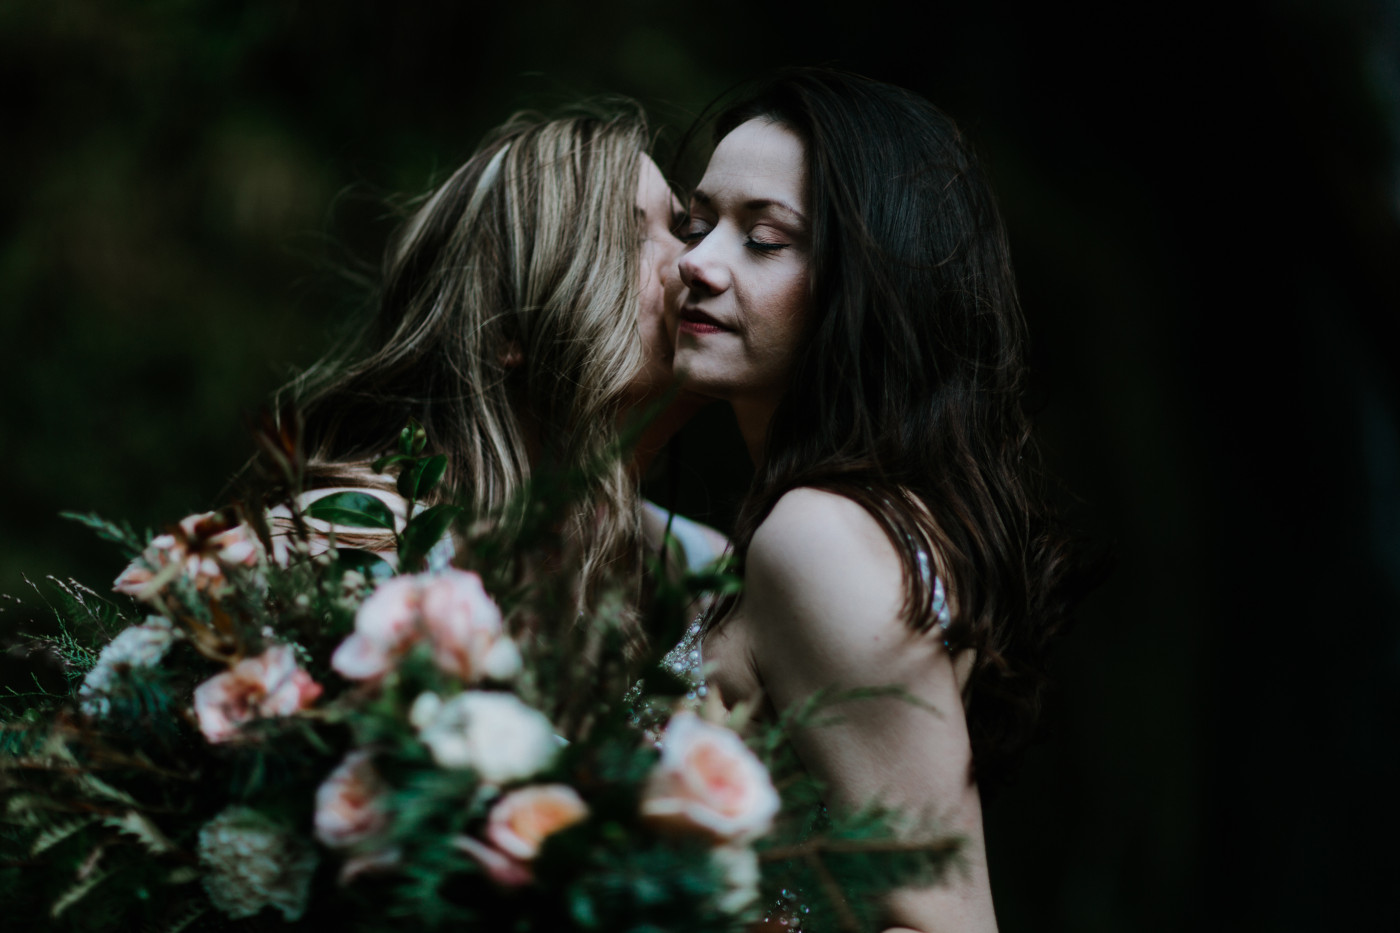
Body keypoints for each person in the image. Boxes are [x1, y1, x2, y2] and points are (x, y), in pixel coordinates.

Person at [672, 69, 1087, 932]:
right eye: (698, 223)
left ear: (866, 282)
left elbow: (946, 921)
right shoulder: (822, 524)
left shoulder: (818, 537)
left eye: (764, 238)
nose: (696, 264)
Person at [254, 103, 724, 618]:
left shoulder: (708, 573)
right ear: (503, 326)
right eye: (625, 238)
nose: (688, 262)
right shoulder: (347, 549)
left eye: (686, 230)